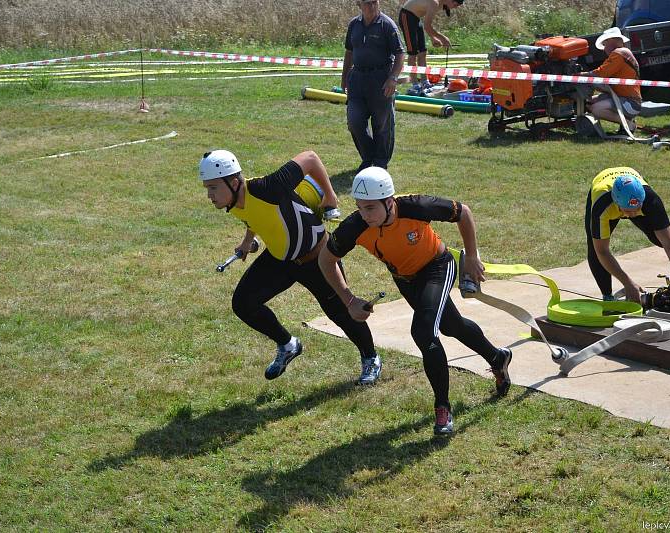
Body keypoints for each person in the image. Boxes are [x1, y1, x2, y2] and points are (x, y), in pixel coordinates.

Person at [318, 167, 512, 436]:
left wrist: (471, 256)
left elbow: (463, 212)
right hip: (405, 279)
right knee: (451, 326)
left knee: (423, 332)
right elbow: (326, 260)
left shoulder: (416, 206)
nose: (365, 215)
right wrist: (349, 300)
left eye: (371, 208)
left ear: (389, 202)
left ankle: (442, 409)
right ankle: (497, 356)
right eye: (360, 207)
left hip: (437, 266)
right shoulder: (355, 226)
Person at [200, 149, 382, 385]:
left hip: (316, 258)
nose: (209, 195)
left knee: (342, 312)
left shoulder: (268, 188)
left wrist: (330, 195)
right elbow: (254, 216)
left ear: (234, 182)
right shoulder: (232, 200)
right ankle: (288, 345)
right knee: (243, 304)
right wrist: (247, 240)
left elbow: (311, 158)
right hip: (280, 259)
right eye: (207, 188)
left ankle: (371, 358)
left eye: (213, 187)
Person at [585, 167, 670, 303]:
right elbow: (602, 252)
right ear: (617, 203)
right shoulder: (601, 207)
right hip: (603, 188)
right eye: (628, 211)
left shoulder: (651, 201)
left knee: (668, 240)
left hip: (632, 188)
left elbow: (669, 244)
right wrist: (628, 283)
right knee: (595, 249)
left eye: (636, 209)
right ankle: (607, 296)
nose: (632, 215)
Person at [341, 0, 405, 171]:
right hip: (357, 79)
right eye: (367, 3)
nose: (371, 6)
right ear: (359, 4)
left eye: (374, 2)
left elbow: (400, 54)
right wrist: (344, 76)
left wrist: (393, 78)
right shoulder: (354, 25)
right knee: (354, 121)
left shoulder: (387, 25)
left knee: (382, 124)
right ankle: (368, 157)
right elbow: (349, 52)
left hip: (380, 79)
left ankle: (381, 161)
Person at [579, 27, 642, 133]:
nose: (604, 48)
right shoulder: (624, 53)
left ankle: (628, 124)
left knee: (596, 109)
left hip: (630, 103)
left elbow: (599, 74)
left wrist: (577, 76)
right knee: (588, 102)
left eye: (604, 44)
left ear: (610, 41)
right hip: (627, 100)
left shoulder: (618, 54)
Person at [398, 0, 465, 86]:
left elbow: (427, 25)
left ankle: (424, 81)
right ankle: (414, 84)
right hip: (406, 16)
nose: (455, 7)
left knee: (422, 53)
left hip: (416, 18)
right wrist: (443, 38)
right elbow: (427, 26)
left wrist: (433, 38)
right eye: (456, 4)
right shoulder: (435, 3)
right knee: (413, 53)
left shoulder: (441, 4)